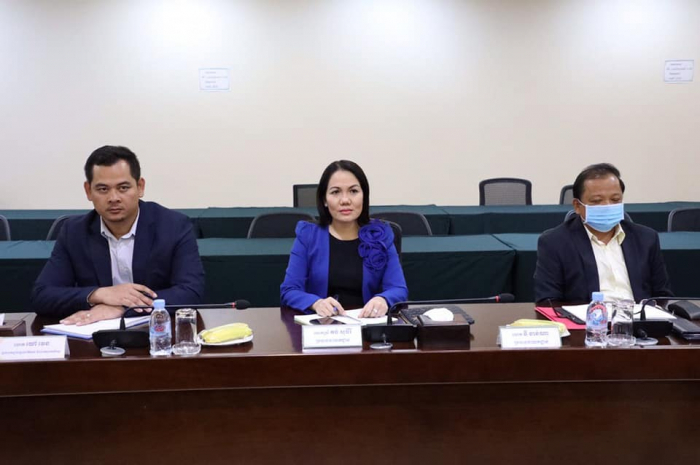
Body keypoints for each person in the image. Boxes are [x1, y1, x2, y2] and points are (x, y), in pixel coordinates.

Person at [31, 145, 205, 324]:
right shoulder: (74, 232)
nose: (113, 198)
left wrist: (122, 308)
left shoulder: (173, 226)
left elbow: (191, 293)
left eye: (123, 188)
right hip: (94, 333)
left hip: (155, 332)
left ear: (140, 187)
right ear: (88, 191)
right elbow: (42, 295)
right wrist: (99, 294)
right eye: (103, 189)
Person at [280, 160, 408, 317]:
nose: (345, 200)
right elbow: (289, 290)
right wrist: (316, 303)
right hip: (323, 324)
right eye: (335, 192)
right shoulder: (308, 235)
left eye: (353, 191)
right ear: (324, 200)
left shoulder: (381, 234)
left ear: (364, 196)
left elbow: (398, 289)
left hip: (367, 324)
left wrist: (383, 299)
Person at [534, 163, 672, 304]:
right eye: (597, 201)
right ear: (577, 206)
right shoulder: (555, 242)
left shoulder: (646, 238)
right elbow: (548, 300)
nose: (607, 206)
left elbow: (662, 295)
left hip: (638, 316)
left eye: (615, 200)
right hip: (587, 317)